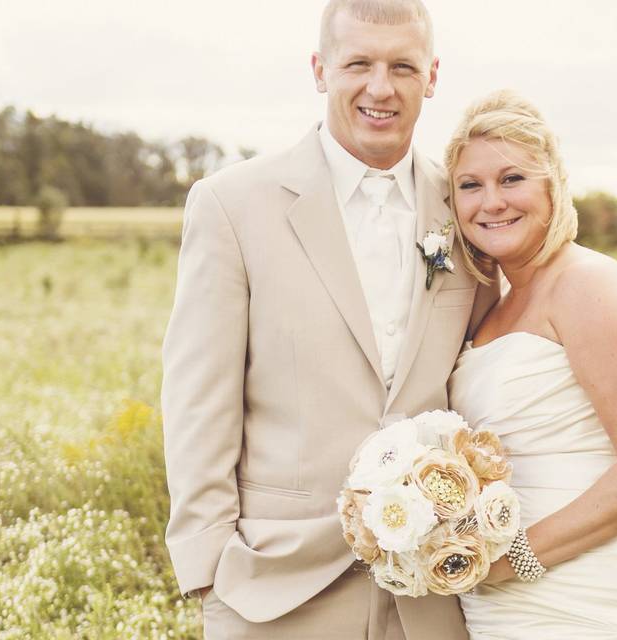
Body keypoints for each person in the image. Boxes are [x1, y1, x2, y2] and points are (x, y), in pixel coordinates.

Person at [161, 1, 495, 637]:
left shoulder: (466, 207)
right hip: (276, 583)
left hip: (431, 592)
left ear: (432, 76)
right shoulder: (231, 205)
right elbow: (198, 397)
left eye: (403, 66)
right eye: (358, 64)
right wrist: (208, 566)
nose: (380, 87)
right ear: (320, 70)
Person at [446, 90, 617, 638]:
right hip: (505, 607)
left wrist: (511, 561)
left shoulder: (590, 284)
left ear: (552, 185)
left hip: (596, 597)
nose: (491, 202)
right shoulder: (497, 299)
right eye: (471, 185)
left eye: (512, 179)